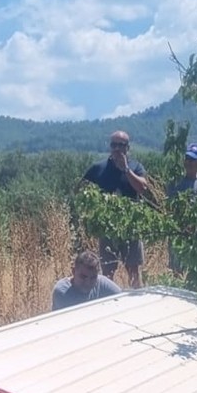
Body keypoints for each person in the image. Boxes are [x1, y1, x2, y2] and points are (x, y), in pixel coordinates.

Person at [82, 131, 149, 289]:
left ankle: (137, 304)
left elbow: (143, 188)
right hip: (107, 228)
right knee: (107, 272)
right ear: (110, 147)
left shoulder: (136, 167)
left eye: (121, 145)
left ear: (128, 147)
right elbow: (80, 190)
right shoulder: (98, 168)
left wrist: (126, 169)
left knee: (133, 271)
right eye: (114, 145)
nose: (117, 149)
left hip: (130, 226)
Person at [166, 143, 197, 275]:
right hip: (179, 232)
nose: (189, 163)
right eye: (187, 159)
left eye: (192, 160)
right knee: (176, 270)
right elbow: (169, 205)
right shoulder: (175, 181)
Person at [51, 251, 121, 311]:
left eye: (93, 277)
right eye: (83, 277)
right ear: (73, 271)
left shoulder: (102, 283)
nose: (88, 283)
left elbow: (123, 299)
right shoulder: (63, 292)